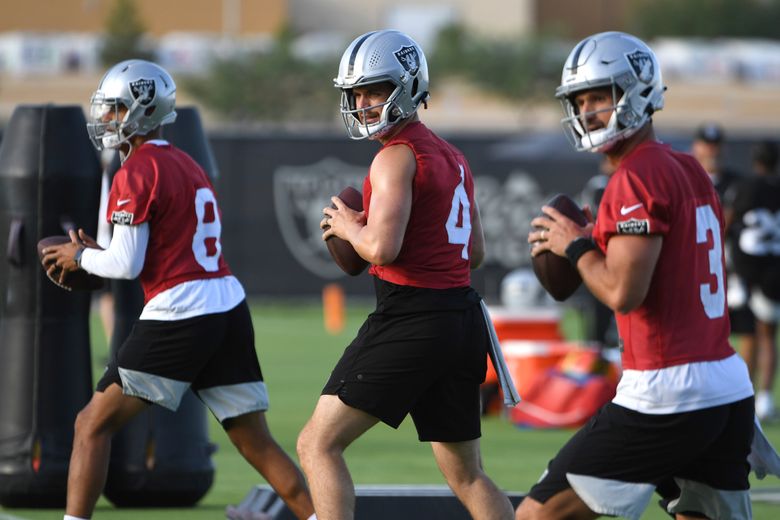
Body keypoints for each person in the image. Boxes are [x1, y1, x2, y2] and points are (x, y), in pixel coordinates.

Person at [41, 59, 315, 520]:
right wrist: (96, 249)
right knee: (254, 441)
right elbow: (148, 246)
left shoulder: (136, 171)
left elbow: (125, 265)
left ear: (140, 112)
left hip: (181, 308)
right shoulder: (185, 162)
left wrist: (81, 257)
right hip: (226, 303)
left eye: (114, 109)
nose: (105, 119)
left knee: (91, 425)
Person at [517, 31, 755, 519]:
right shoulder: (688, 167)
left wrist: (576, 244)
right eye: (579, 100)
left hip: (667, 390)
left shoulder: (635, 176)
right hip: (726, 385)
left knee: (537, 514)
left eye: (599, 97)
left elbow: (624, 292)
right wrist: (595, 243)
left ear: (637, 92)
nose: (587, 112)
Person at [295, 30, 514, 520]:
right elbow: (474, 252)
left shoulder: (394, 156)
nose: (363, 103)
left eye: (373, 90)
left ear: (408, 86)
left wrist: (350, 225)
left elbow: (380, 248)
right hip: (461, 319)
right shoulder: (454, 157)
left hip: (413, 317)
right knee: (468, 475)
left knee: (317, 444)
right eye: (355, 94)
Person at [691, 122, 758, 393]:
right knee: (700, 333)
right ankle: (705, 391)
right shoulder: (686, 178)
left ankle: (748, 393)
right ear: (697, 147)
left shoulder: (737, 182)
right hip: (696, 270)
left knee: (747, 329)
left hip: (733, 270)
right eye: (706, 144)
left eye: (716, 144)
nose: (711, 151)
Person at [725, 140, 780, 421]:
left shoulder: (745, 187)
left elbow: (727, 221)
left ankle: (744, 395)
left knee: (746, 335)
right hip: (774, 270)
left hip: (746, 270)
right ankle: (765, 398)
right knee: (768, 336)